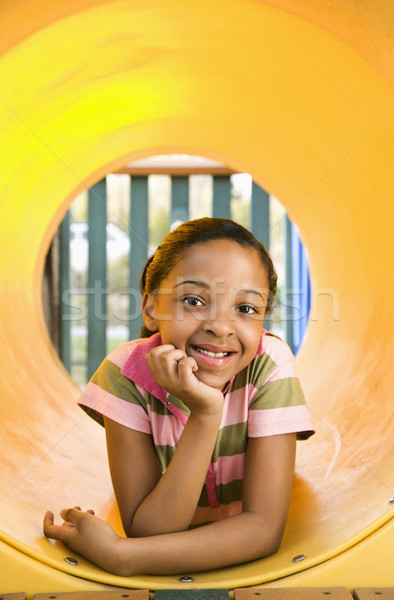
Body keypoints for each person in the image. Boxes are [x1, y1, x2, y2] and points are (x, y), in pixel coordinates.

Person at [43, 217, 314, 577]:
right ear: (152, 308)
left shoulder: (269, 365)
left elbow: (264, 529)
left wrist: (121, 556)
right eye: (194, 300)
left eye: (246, 308)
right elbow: (150, 531)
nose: (220, 326)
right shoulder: (124, 375)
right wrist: (206, 413)